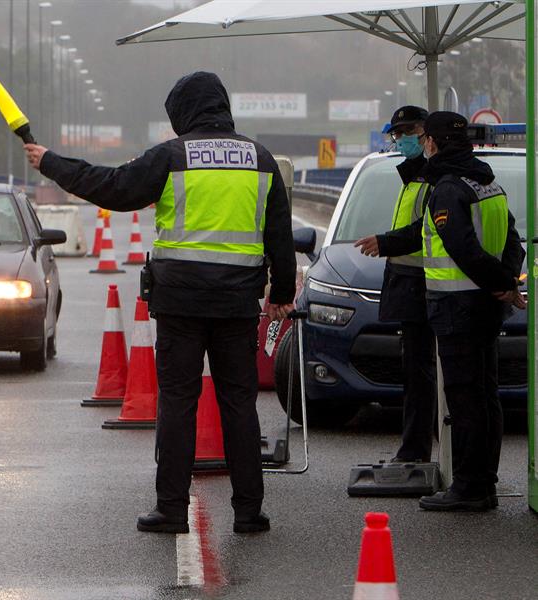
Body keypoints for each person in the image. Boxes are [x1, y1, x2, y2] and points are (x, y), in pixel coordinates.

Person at [23, 72, 296, 533]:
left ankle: (171, 510)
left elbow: (110, 187)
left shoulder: (172, 156)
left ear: (184, 113)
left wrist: (51, 162)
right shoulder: (261, 160)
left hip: (181, 303)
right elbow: (280, 239)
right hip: (237, 304)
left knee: (178, 403)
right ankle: (249, 513)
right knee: (239, 406)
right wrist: (282, 295)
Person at [413, 111, 525, 511]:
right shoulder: (487, 181)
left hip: (458, 307)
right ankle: (485, 481)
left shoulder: (447, 188)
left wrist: (500, 284)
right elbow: (514, 240)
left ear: (434, 143)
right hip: (486, 307)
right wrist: (506, 281)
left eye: (424, 138)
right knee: (485, 395)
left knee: (463, 400)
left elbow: (463, 250)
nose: (422, 144)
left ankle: (468, 487)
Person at [354, 106, 437, 463]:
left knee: (422, 377)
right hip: (411, 286)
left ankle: (416, 452)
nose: (402, 139)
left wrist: (386, 242)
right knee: (415, 375)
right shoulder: (412, 176)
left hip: (428, 286)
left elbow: (427, 230)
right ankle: (413, 449)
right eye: (397, 133)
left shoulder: (434, 178)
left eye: (410, 131)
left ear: (427, 133)